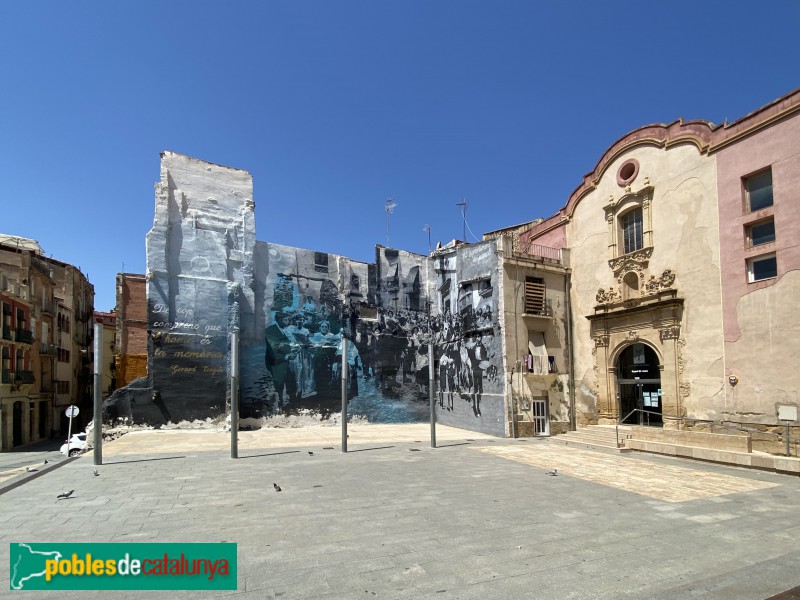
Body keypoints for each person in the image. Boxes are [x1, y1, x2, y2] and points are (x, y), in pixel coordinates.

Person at [264, 310, 298, 408]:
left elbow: (288, 343)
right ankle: (279, 404)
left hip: (285, 361)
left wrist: (293, 349)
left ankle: (289, 403)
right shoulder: (271, 330)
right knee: (279, 383)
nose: (288, 322)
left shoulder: (284, 330)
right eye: (285, 320)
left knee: (290, 381)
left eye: (288, 320)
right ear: (279, 320)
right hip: (275, 361)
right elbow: (273, 347)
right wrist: (286, 356)